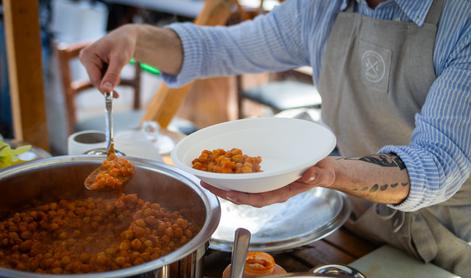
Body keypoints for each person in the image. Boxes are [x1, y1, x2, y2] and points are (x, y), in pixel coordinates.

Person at [79, 0, 471, 275]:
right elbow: (222, 47)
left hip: (447, 244)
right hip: (360, 221)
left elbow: (434, 165)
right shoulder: (324, 5)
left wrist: (329, 174)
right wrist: (135, 39)